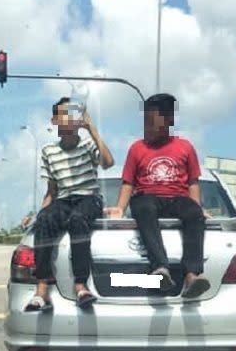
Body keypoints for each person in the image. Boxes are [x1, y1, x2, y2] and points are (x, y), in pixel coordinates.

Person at [106, 93, 211, 299]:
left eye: (151, 121)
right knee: (143, 207)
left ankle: (191, 276)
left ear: (169, 120)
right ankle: (161, 269)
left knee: (193, 213)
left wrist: (197, 208)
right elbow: (128, 182)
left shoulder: (185, 147)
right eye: (145, 120)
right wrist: (120, 208)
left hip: (177, 199)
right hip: (148, 198)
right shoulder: (137, 148)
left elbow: (192, 182)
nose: (146, 126)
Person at [24, 97, 114, 312]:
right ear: (55, 120)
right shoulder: (48, 151)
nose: (69, 118)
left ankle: (80, 285)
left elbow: (108, 163)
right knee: (45, 218)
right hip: (63, 199)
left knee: (77, 219)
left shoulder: (87, 144)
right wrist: (37, 215)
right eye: (64, 114)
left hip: (88, 197)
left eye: (72, 114)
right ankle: (42, 288)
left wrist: (91, 127)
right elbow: (52, 191)